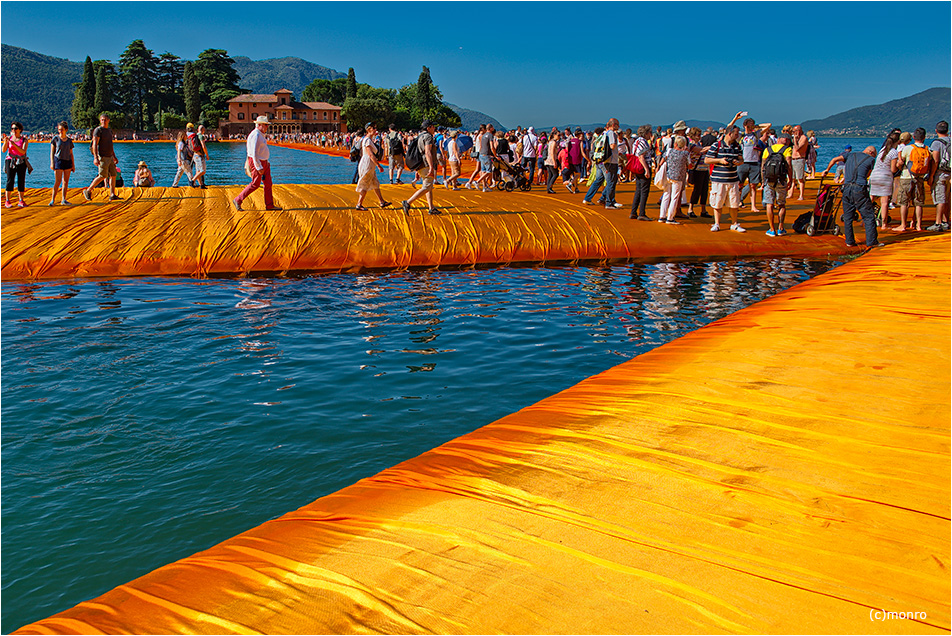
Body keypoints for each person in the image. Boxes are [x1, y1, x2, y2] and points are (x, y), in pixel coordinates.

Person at [233, 115, 280, 211]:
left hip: (263, 162)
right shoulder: (256, 135)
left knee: (268, 183)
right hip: (258, 162)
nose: (267, 127)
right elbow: (253, 153)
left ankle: (269, 205)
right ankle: (238, 200)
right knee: (255, 184)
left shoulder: (259, 134)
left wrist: (265, 162)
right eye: (266, 125)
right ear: (259, 125)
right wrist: (258, 167)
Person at [840, 146, 882, 250]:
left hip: (846, 187)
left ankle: (849, 241)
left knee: (848, 217)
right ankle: (872, 241)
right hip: (859, 188)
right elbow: (869, 174)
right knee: (868, 216)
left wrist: (827, 169)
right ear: (871, 153)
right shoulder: (871, 160)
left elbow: (836, 159)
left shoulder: (851, 155)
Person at [704, 125, 745, 232]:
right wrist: (720, 161)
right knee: (717, 202)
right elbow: (707, 160)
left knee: (734, 203)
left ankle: (734, 223)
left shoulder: (737, 146)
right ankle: (717, 223)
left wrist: (737, 162)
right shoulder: (716, 145)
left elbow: (741, 160)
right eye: (736, 134)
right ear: (729, 133)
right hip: (718, 179)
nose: (737, 136)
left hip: (733, 179)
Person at [401, 119, 441, 216]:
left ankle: (431, 208)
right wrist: (431, 167)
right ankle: (408, 202)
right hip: (425, 164)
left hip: (420, 164)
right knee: (427, 186)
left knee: (428, 187)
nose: (434, 128)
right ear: (428, 128)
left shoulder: (419, 136)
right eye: (432, 126)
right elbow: (427, 152)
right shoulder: (428, 137)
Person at [894, 127, 931, 232]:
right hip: (919, 178)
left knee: (904, 202)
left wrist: (899, 165)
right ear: (924, 137)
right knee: (918, 203)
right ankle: (918, 225)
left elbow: (900, 163)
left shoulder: (908, 148)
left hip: (906, 176)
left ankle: (903, 225)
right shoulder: (927, 149)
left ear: (914, 137)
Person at [354, 122, 392, 211]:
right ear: (369, 129)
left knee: (375, 183)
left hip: (369, 164)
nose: (376, 130)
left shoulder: (368, 140)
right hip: (367, 164)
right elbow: (370, 155)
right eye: (374, 128)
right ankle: (359, 204)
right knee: (365, 183)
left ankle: (382, 201)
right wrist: (378, 165)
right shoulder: (367, 140)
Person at [761, 133, 794, 236]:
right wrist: (791, 179)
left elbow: (763, 166)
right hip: (781, 179)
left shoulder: (768, 149)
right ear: (787, 141)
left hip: (769, 179)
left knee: (769, 204)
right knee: (781, 204)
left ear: (778, 139)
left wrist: (763, 181)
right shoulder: (787, 149)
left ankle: (771, 229)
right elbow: (788, 165)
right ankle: (781, 228)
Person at [83, 112, 120, 201]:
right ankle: (88, 190)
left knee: (113, 175)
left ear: (108, 121)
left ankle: (112, 194)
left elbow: (110, 144)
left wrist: (114, 156)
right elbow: (95, 144)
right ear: (100, 121)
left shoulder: (109, 131)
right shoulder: (98, 130)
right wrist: (95, 157)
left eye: (105, 120)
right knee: (102, 175)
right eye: (102, 120)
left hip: (110, 156)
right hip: (102, 156)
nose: (104, 121)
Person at [867, 132, 900, 230]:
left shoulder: (882, 150)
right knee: (884, 202)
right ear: (897, 142)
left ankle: (865, 221)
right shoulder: (894, 152)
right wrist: (899, 165)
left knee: (870, 199)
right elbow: (893, 169)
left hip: (874, 176)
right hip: (885, 177)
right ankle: (884, 224)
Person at [737, 117, 769, 213]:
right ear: (744, 126)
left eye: (751, 126)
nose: (750, 128)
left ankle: (753, 205)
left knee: (753, 185)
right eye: (748, 126)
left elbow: (768, 125)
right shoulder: (741, 135)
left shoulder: (756, 135)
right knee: (739, 184)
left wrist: (756, 126)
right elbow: (729, 128)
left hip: (754, 162)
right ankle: (738, 201)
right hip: (743, 162)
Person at [658, 134, 690, 224]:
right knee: (674, 197)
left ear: (675, 143)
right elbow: (690, 165)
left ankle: (662, 216)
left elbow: (661, 161)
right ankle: (670, 218)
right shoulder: (685, 154)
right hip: (679, 177)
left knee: (666, 195)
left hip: (668, 175)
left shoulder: (669, 151)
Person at [927, 120, 950, 231]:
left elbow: (935, 160)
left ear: (936, 131)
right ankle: (946, 220)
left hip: (940, 173)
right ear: (948, 130)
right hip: (950, 173)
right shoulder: (950, 141)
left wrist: (931, 175)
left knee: (940, 199)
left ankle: (938, 223)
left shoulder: (936, 143)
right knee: (947, 198)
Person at [628, 125, 654, 220]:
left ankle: (633, 212)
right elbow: (641, 157)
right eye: (650, 132)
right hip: (643, 167)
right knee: (644, 191)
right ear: (646, 133)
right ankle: (641, 213)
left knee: (638, 190)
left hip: (637, 167)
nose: (651, 134)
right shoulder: (643, 142)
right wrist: (647, 169)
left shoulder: (636, 141)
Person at [3, 121, 30, 208]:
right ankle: (7, 200)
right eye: (12, 129)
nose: (14, 130)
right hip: (10, 160)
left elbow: (23, 151)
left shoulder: (24, 140)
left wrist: (14, 145)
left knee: (21, 180)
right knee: (10, 180)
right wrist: (5, 142)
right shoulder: (10, 139)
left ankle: (21, 200)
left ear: (20, 130)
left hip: (21, 161)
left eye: (15, 128)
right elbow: (3, 150)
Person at [687, 127, 711, 218]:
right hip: (696, 169)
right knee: (697, 189)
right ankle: (691, 208)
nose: (699, 137)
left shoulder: (698, 143)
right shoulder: (691, 144)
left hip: (704, 168)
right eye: (698, 135)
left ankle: (703, 209)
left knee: (704, 189)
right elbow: (701, 150)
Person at [49, 120, 74, 206]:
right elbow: (52, 152)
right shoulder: (55, 139)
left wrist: (73, 165)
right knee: (57, 181)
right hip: (58, 161)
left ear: (66, 129)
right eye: (59, 129)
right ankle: (53, 199)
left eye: (62, 129)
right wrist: (52, 163)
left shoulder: (69, 141)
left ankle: (63, 199)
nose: (60, 131)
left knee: (65, 181)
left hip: (67, 161)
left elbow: (71, 153)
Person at [788, 124, 809, 201]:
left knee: (800, 178)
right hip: (793, 159)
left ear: (798, 131)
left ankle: (801, 195)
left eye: (794, 131)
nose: (793, 133)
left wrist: (795, 140)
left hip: (799, 159)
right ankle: (790, 193)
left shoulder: (804, 138)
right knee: (792, 178)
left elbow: (797, 148)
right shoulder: (795, 138)